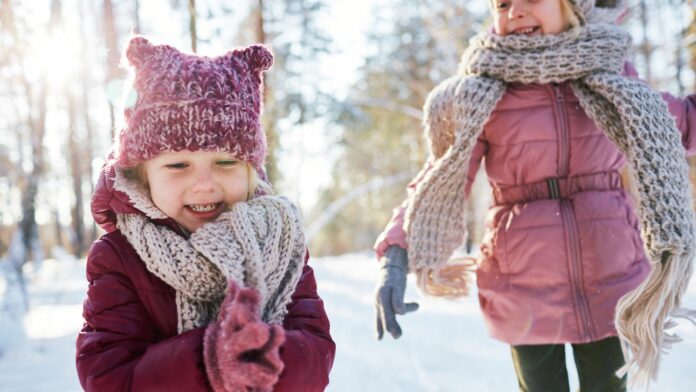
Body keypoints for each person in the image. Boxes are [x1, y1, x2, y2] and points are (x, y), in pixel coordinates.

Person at [373, 0, 696, 391]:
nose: (515, 12)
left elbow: (681, 121)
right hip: (521, 283)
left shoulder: (615, 75)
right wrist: (396, 252)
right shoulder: (482, 94)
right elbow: (438, 178)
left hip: (612, 275)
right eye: (503, 4)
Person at [76, 36, 335, 392]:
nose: (203, 184)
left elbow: (315, 350)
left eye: (225, 162)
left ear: (251, 171)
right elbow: (108, 374)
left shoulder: (279, 242)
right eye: (178, 165)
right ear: (141, 174)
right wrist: (209, 360)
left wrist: (266, 356)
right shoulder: (119, 258)